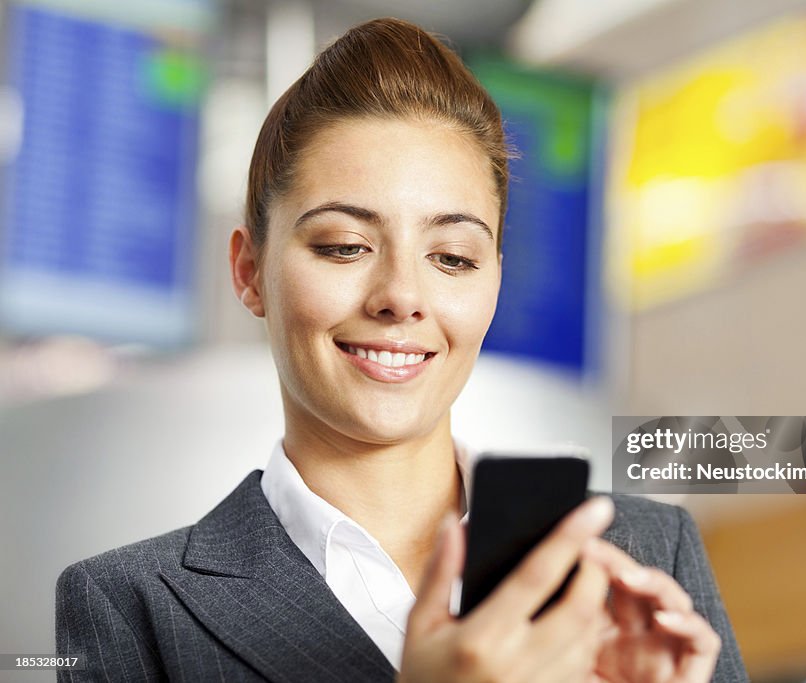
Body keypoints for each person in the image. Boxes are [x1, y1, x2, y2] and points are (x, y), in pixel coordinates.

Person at [55, 17, 748, 683]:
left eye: (451, 257)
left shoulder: (648, 550)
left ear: (495, 280)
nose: (401, 296)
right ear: (249, 271)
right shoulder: (128, 604)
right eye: (344, 246)